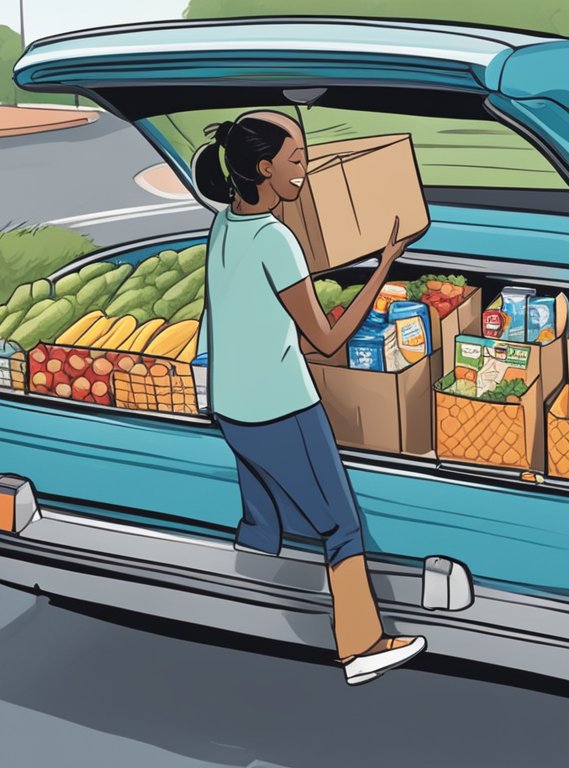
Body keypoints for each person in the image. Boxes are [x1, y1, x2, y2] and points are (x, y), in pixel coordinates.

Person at [190, 110, 427, 685]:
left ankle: (249, 613)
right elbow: (323, 342)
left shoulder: (226, 223)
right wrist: (384, 264)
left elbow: (243, 310)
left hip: (231, 404)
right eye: (296, 160)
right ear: (265, 168)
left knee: (264, 515)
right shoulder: (276, 239)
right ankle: (362, 646)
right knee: (341, 525)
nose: (305, 170)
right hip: (280, 406)